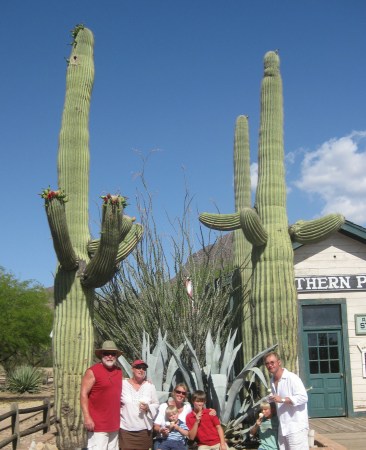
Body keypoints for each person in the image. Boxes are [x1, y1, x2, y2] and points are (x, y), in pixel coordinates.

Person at [80, 340, 123, 450]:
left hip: (114, 424)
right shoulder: (92, 371)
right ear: (101, 355)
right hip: (97, 424)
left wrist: (146, 381)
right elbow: (83, 394)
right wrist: (87, 417)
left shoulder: (119, 371)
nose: (109, 356)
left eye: (113, 354)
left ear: (116, 356)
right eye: (106, 353)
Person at [264, 351, 309, 450]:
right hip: (283, 428)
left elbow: (303, 397)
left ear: (279, 362)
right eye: (267, 363)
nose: (270, 365)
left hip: (296, 428)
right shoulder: (272, 380)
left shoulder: (292, 378)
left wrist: (283, 399)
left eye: (272, 362)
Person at [120, 359, 159, 450]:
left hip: (144, 432)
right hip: (126, 431)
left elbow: (156, 404)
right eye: (138, 367)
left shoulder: (150, 386)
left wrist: (148, 408)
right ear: (132, 369)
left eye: (144, 368)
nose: (141, 370)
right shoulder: (123, 384)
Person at [154, 382, 192, 449]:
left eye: (183, 393)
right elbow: (156, 426)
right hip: (163, 440)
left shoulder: (187, 408)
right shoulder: (164, 406)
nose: (180, 394)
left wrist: (211, 411)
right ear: (174, 392)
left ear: (185, 395)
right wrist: (161, 430)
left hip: (179, 442)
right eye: (178, 392)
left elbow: (196, 413)